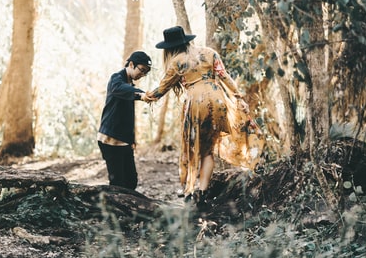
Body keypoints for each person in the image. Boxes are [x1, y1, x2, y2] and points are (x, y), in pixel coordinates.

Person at [145, 26, 261, 209]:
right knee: (207, 151)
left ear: (170, 48)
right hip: (218, 101)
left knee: (193, 150)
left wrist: (144, 96)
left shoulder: (177, 62)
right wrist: (239, 97)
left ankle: (190, 193)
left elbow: (161, 90)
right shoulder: (209, 53)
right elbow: (224, 77)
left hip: (196, 104)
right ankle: (203, 193)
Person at [97, 51, 152, 190]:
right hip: (109, 139)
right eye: (142, 70)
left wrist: (132, 139)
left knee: (131, 181)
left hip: (124, 141)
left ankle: (127, 210)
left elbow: (128, 115)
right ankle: (112, 211)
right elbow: (120, 89)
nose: (143, 74)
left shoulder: (130, 85)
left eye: (146, 72)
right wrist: (141, 95)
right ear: (132, 64)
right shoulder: (116, 79)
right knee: (117, 184)